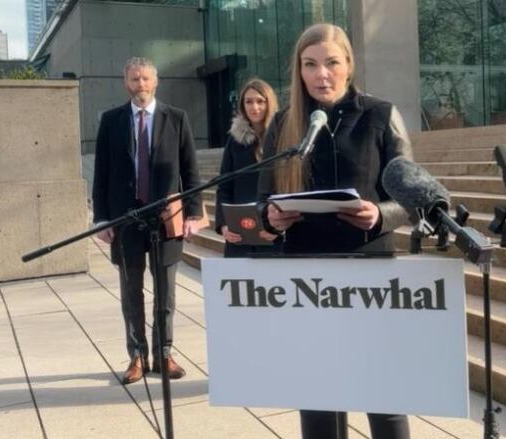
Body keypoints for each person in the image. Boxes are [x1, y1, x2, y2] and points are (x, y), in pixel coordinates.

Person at [257, 23, 413, 439]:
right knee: (319, 398)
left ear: (349, 65)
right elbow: (261, 202)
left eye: (331, 63)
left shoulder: (381, 115)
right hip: (307, 278)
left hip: (370, 274)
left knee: (384, 397)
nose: (320, 74)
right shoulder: (283, 125)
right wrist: (270, 219)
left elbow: (410, 199)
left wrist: (379, 214)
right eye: (310, 65)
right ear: (299, 70)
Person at [92, 57, 203, 385]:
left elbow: (191, 170)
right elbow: (102, 173)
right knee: (131, 292)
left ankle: (164, 353)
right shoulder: (111, 121)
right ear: (126, 83)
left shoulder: (177, 119)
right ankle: (137, 356)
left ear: (156, 82)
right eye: (134, 79)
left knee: (165, 292)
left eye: (145, 79)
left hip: (165, 219)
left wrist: (194, 213)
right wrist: (101, 218)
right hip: (125, 219)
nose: (140, 85)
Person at [215, 78, 280, 257]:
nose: (254, 107)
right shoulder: (235, 140)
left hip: (272, 231)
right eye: (249, 101)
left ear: (270, 103)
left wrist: (279, 227)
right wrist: (223, 225)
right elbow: (224, 186)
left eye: (260, 101)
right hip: (240, 231)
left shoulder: (282, 138)